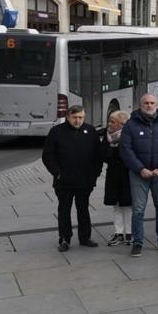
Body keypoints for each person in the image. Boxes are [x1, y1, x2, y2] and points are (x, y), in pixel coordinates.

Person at [120, 94, 158, 257]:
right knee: (138, 210)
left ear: (157, 105)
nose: (149, 105)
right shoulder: (131, 125)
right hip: (139, 174)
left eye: (152, 103)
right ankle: (137, 242)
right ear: (140, 105)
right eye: (146, 102)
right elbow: (125, 149)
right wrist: (140, 169)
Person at [41, 105, 104, 251]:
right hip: (64, 181)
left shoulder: (91, 131)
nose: (78, 120)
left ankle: (85, 237)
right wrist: (57, 173)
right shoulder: (56, 132)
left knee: (83, 209)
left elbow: (98, 155)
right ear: (68, 117)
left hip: (85, 180)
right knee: (64, 210)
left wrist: (95, 173)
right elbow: (47, 156)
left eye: (81, 117)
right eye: (75, 117)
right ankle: (65, 239)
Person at [101, 111, 133, 245]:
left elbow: (129, 154)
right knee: (116, 204)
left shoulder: (129, 135)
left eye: (113, 122)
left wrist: (114, 153)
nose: (110, 124)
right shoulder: (106, 135)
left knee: (128, 205)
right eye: (110, 121)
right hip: (113, 174)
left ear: (122, 123)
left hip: (127, 174)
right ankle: (118, 233)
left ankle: (130, 233)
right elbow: (103, 153)